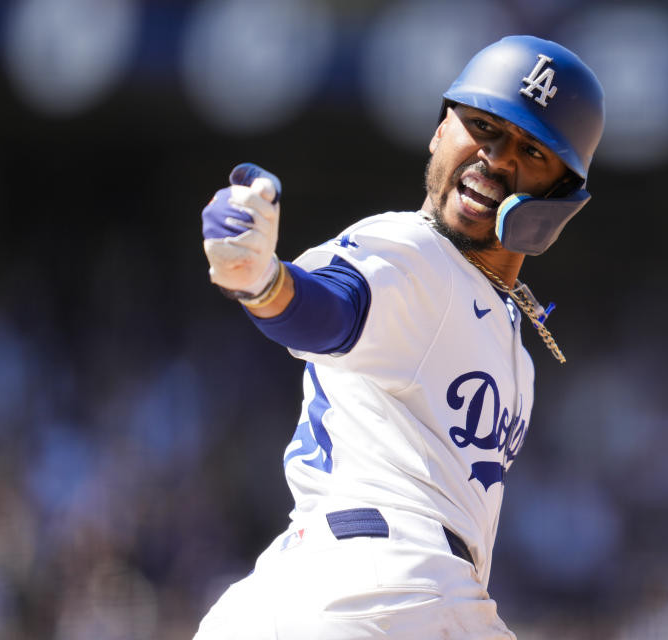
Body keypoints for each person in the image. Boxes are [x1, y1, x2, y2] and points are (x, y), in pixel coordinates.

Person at [194, 35, 604, 640]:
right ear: (441, 129)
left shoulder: (516, 344)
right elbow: (332, 310)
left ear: (562, 197)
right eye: (484, 127)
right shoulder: (415, 250)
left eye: (530, 150)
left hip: (369, 596)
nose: (496, 158)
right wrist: (263, 282)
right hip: (367, 590)